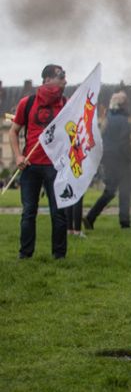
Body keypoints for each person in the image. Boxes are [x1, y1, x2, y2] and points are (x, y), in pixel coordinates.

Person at [9, 64, 68, 259]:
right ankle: (25, 254)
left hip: (55, 166)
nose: (65, 80)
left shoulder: (66, 104)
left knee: (58, 213)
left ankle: (59, 256)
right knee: (28, 213)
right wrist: (18, 155)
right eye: (61, 76)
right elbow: (13, 131)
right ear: (47, 79)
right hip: (30, 164)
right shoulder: (27, 102)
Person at [84, 91, 131, 230]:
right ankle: (125, 223)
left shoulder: (108, 118)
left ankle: (90, 217)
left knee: (110, 191)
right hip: (121, 160)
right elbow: (124, 142)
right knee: (125, 191)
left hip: (108, 159)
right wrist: (128, 157)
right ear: (122, 104)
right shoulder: (122, 120)